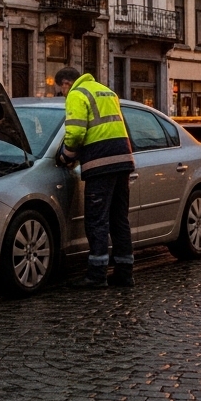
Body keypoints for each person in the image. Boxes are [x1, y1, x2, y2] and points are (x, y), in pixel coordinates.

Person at [53, 66, 135, 288]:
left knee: (97, 220)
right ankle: (125, 272)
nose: (63, 94)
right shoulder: (106, 91)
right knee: (119, 219)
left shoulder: (77, 94)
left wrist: (65, 157)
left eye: (61, 90)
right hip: (122, 160)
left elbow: (76, 133)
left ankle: (97, 274)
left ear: (66, 84)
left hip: (101, 163)